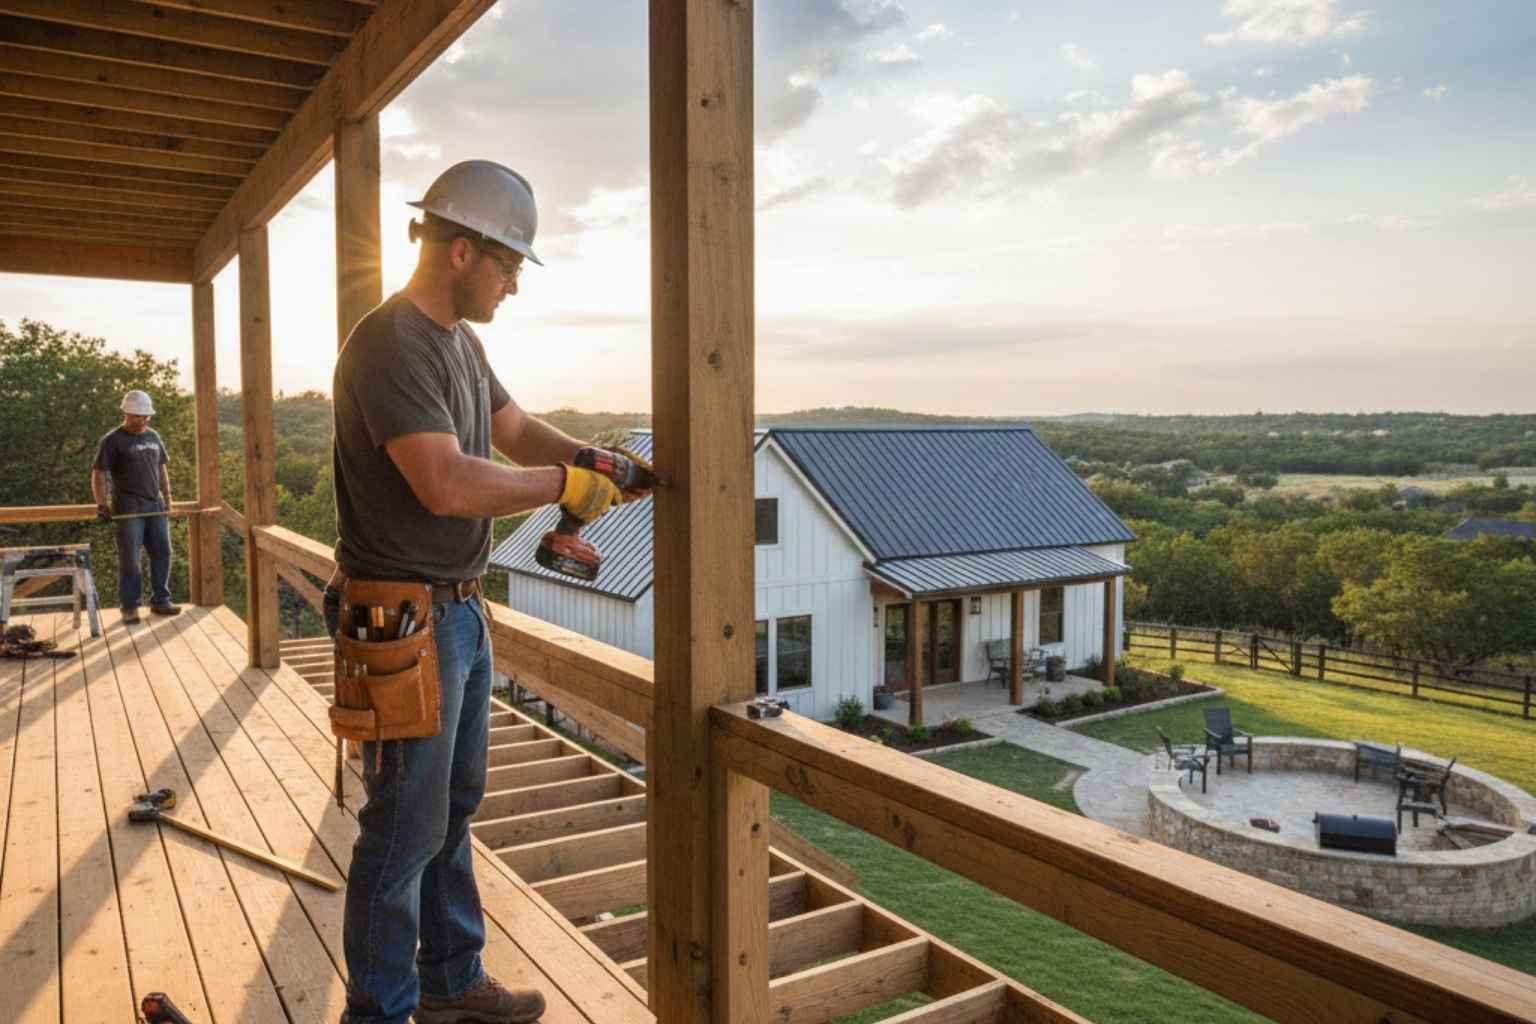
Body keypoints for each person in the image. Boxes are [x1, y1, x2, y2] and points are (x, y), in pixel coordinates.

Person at [329, 160, 648, 1024]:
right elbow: (443, 482)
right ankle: (383, 1012)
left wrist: (595, 463)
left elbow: (511, 431)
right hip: (405, 613)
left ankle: (450, 980)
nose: (514, 284)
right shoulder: (389, 341)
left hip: (458, 609)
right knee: (401, 828)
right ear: (461, 250)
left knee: (451, 811)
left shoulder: (461, 344)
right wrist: (559, 486)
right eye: (509, 265)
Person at [91, 389, 180, 625]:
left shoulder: (153, 436)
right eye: (138, 416)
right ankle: (130, 606)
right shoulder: (112, 440)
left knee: (163, 552)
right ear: (126, 413)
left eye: (146, 416)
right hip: (128, 507)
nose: (142, 420)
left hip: (155, 505)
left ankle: (161, 600)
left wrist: (168, 501)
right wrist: (102, 504)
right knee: (130, 559)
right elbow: (99, 474)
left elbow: (162, 469)